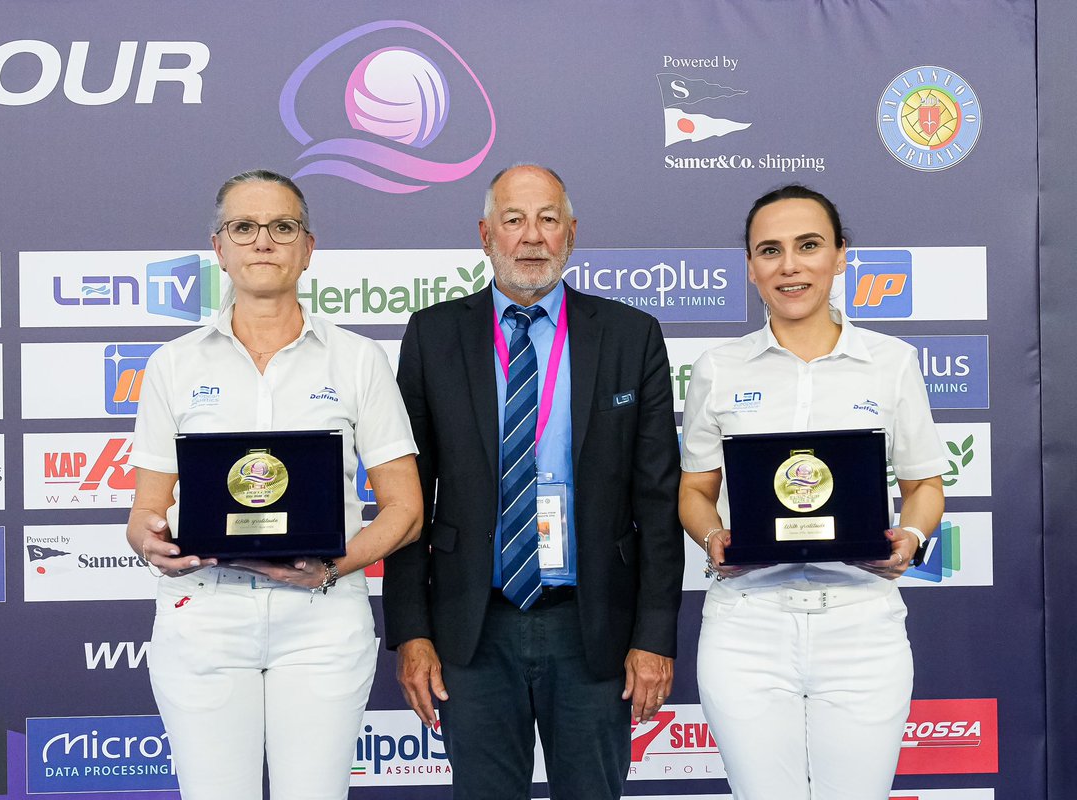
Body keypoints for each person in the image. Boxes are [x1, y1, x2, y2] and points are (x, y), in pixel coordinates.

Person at [384, 164, 683, 799]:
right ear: (485, 234)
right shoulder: (433, 336)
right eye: (514, 220)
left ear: (571, 234)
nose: (531, 236)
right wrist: (410, 632)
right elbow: (407, 498)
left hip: (595, 627)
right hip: (472, 629)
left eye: (548, 219)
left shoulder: (632, 336)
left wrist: (655, 636)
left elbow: (657, 500)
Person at [125, 169, 422, 800]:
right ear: (220, 248)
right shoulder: (172, 365)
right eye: (245, 227)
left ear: (307, 247)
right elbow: (144, 512)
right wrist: (152, 543)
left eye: (282, 227)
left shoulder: (358, 358)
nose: (264, 241)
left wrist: (334, 566)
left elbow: (406, 509)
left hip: (320, 618)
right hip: (205, 616)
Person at [679, 184, 946, 800]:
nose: (789, 265)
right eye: (769, 250)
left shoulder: (892, 362)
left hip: (861, 625)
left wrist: (911, 536)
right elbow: (694, 489)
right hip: (748, 626)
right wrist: (713, 534)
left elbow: (925, 483)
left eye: (809, 246)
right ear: (750, 267)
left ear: (841, 255)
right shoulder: (718, 368)